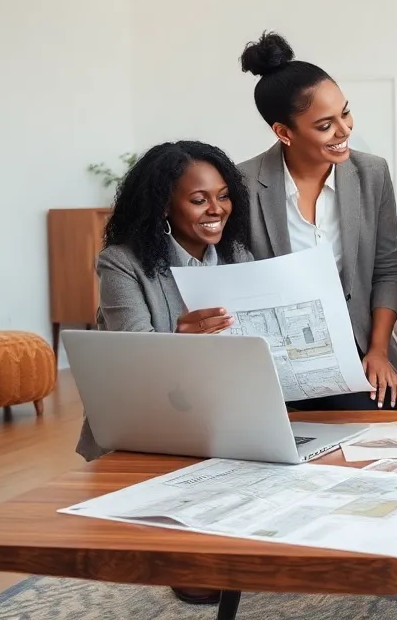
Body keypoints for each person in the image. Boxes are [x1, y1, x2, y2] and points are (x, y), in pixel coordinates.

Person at [75, 139, 253, 607]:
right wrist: (179, 338)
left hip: (224, 408)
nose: (216, 209)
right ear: (163, 207)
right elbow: (135, 358)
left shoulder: (239, 258)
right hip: (152, 416)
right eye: (198, 200)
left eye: (223, 195)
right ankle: (182, 548)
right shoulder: (122, 262)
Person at [237, 31, 397, 410]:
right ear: (284, 132)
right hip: (275, 360)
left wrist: (377, 351)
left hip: (358, 351)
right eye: (325, 124)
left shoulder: (372, 173)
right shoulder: (242, 184)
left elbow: (387, 268)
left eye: (345, 112)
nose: (345, 130)